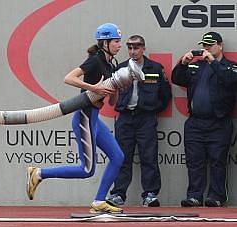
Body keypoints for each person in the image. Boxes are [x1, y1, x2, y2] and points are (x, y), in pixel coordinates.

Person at [26, 23, 124, 214]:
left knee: (118, 157)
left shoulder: (110, 64)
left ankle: (99, 201)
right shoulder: (95, 60)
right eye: (116, 41)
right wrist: (94, 88)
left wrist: (117, 86)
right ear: (105, 42)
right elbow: (69, 78)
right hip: (84, 117)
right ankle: (38, 173)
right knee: (87, 170)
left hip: (94, 119)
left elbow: (112, 102)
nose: (119, 45)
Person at [171, 32, 237, 207]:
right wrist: (184, 64)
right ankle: (194, 195)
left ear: (220, 45)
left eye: (210, 44)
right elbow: (176, 78)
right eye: (204, 45)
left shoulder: (230, 67)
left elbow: (231, 80)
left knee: (218, 160)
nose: (206, 48)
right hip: (195, 122)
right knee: (194, 161)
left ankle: (216, 196)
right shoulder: (196, 66)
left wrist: (213, 62)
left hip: (219, 122)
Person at [107, 35, 172, 207]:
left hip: (146, 119)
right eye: (129, 48)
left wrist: (151, 109)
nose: (132, 51)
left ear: (143, 48)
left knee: (149, 157)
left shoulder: (156, 68)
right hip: (125, 118)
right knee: (121, 157)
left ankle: (150, 194)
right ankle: (118, 194)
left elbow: (166, 96)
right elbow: (111, 95)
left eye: (136, 48)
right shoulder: (120, 68)